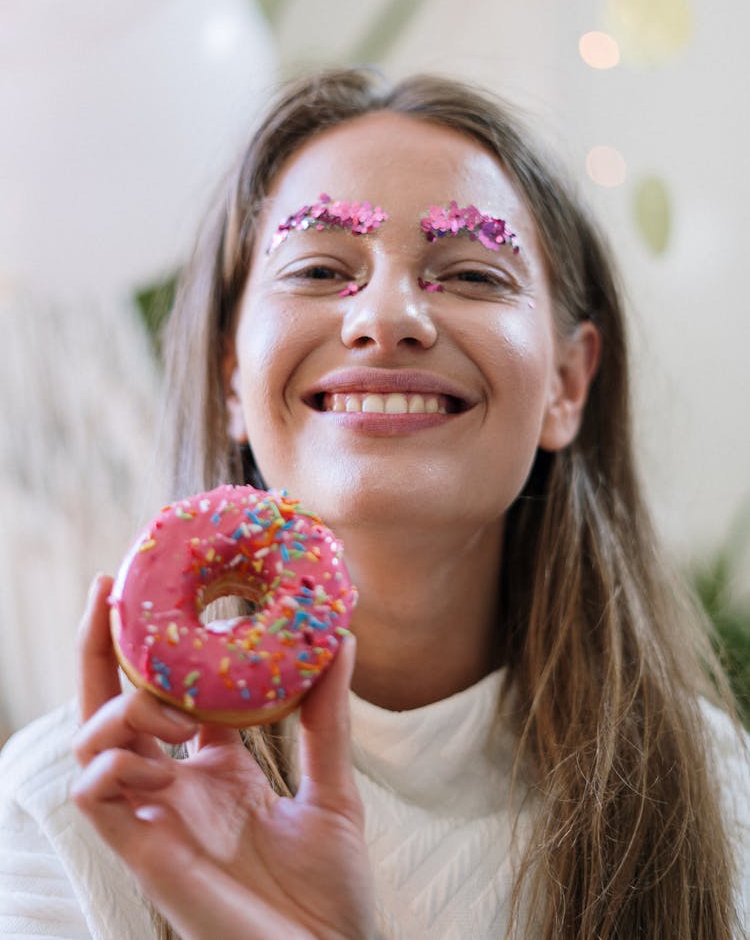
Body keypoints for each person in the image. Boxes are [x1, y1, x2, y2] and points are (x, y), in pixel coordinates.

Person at [1, 68, 749, 940]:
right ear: (231, 377)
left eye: (470, 273)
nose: (386, 315)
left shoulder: (708, 794)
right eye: (320, 267)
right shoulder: (79, 806)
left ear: (567, 383)